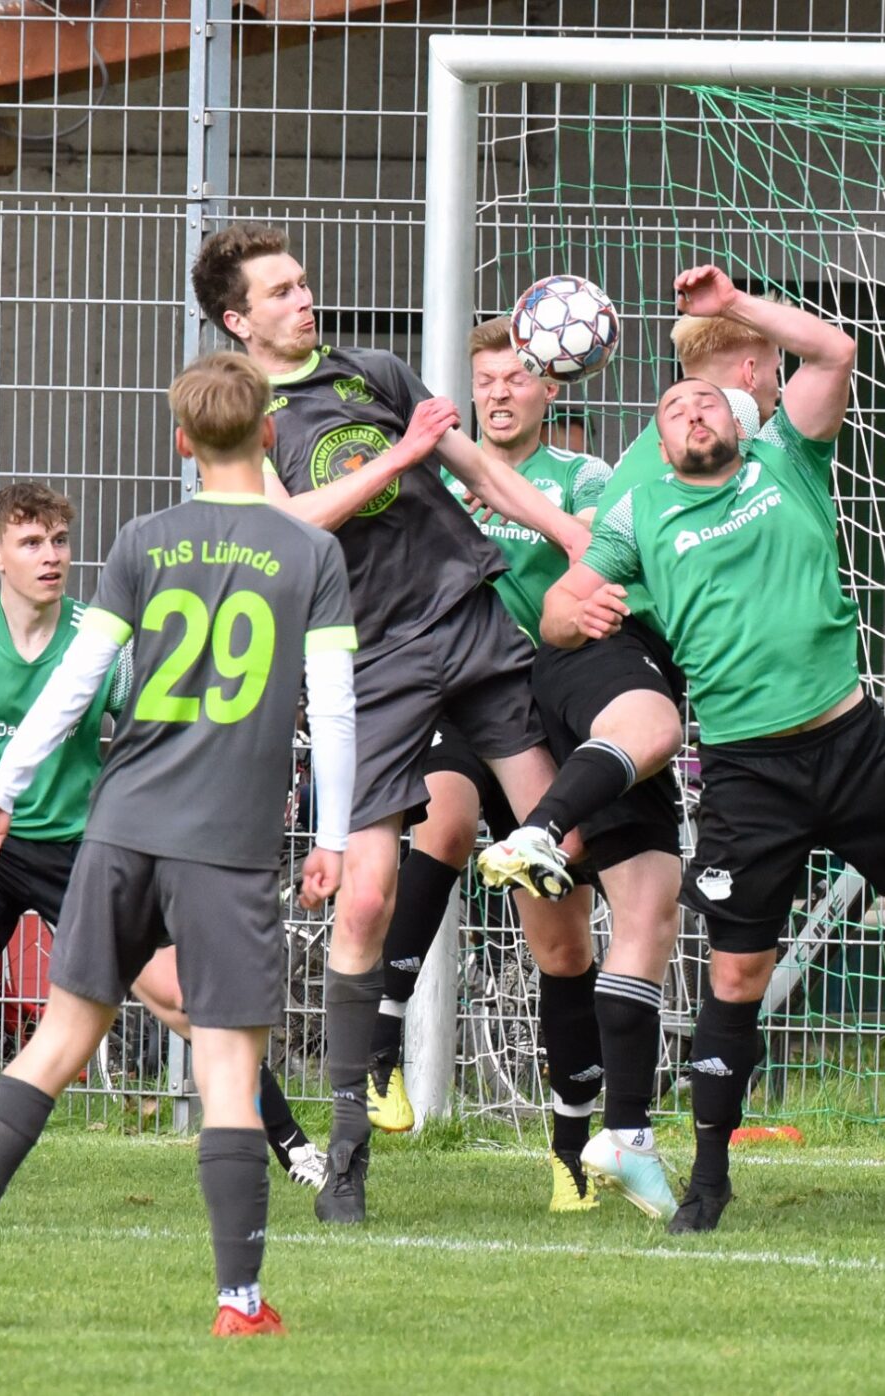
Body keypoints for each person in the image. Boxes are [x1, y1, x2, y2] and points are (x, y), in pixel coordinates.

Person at [539, 266, 885, 1233]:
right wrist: (570, 614)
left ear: (738, 412)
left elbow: (835, 350)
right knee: (735, 977)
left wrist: (731, 307)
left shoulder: (788, 457)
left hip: (852, 744)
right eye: (672, 409)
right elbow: (560, 606)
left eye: (704, 400)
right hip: (747, 772)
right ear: (660, 443)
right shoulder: (639, 515)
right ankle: (709, 1179)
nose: (690, 412)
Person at [0, 352, 357, 1335]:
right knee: (227, 1066)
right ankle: (240, 1302)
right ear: (269, 434)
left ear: (183, 442)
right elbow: (333, 701)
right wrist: (334, 833)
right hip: (227, 842)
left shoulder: (143, 539)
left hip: (119, 826)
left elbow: (77, 679)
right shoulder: (312, 552)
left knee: (61, 1039)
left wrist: (2, 787)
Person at [190, 224, 588, 1223]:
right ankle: (348, 1160)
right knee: (364, 899)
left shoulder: (373, 370)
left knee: (560, 863)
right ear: (237, 319)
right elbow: (285, 523)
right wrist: (400, 457)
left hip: (469, 622)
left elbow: (481, 471)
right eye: (280, 292)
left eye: (302, 283)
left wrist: (573, 536)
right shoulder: (239, 409)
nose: (303, 299)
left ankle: (579, 1143)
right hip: (367, 662)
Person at [0, 483, 326, 1192]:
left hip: (82, 845)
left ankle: (294, 1146)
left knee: (185, 998)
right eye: (31, 543)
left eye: (60, 541)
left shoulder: (103, 644)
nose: (51, 556)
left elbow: (154, 738)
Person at [374, 317, 678, 1213]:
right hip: (455, 696)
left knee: (563, 942)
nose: (499, 393)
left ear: (551, 386)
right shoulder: (444, 475)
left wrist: (543, 521)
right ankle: (382, 1050)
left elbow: (605, 545)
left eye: (515, 378)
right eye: (486, 380)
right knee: (443, 818)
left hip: (540, 713)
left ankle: (569, 1151)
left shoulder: (581, 479)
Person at [471, 311, 758, 1216]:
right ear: (747, 370)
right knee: (652, 722)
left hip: (626, 671)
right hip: (597, 667)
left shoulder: (755, 465)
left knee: (647, 907)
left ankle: (625, 1136)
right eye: (760, 364)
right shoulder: (657, 462)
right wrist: (580, 605)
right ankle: (541, 830)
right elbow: (564, 602)